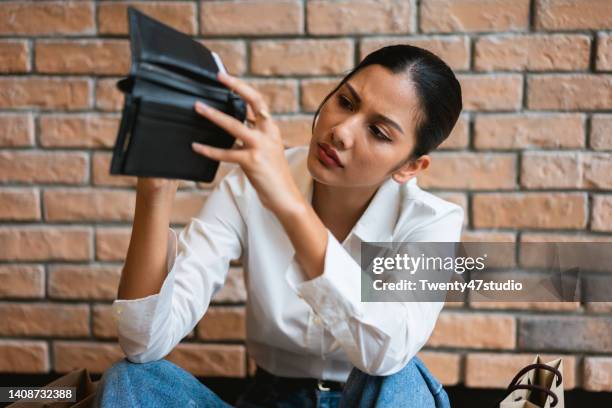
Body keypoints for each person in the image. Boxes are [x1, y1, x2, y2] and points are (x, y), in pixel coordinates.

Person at [94, 44, 464, 408]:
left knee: (400, 379)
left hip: (374, 399)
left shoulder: (433, 222)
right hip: (275, 397)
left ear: (410, 166)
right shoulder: (246, 185)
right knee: (131, 379)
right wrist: (156, 190)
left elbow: (387, 353)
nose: (342, 132)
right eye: (346, 102)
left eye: (379, 132)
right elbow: (143, 344)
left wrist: (287, 204)